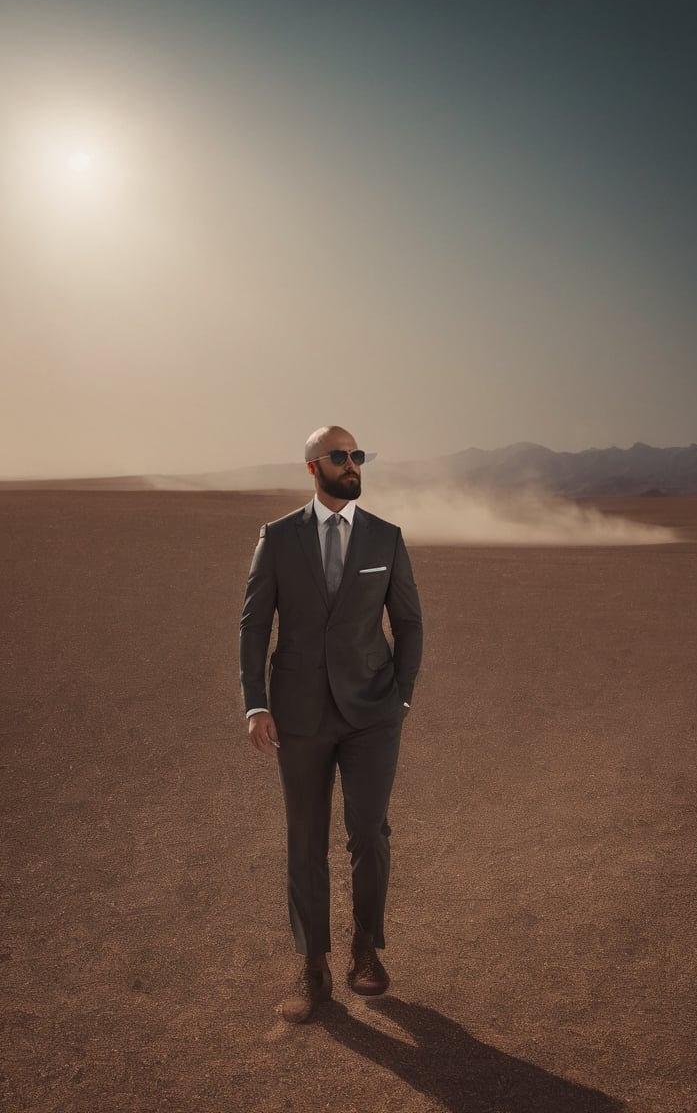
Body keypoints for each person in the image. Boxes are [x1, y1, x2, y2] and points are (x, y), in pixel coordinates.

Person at [240, 425, 423, 1023]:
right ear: (314, 468)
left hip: (372, 714)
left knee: (369, 834)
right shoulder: (278, 537)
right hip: (299, 714)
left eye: (358, 455)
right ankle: (311, 964)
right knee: (305, 840)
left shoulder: (386, 538)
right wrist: (256, 703)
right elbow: (253, 625)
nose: (352, 464)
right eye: (340, 456)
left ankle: (365, 947)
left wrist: (400, 699)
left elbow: (410, 624)